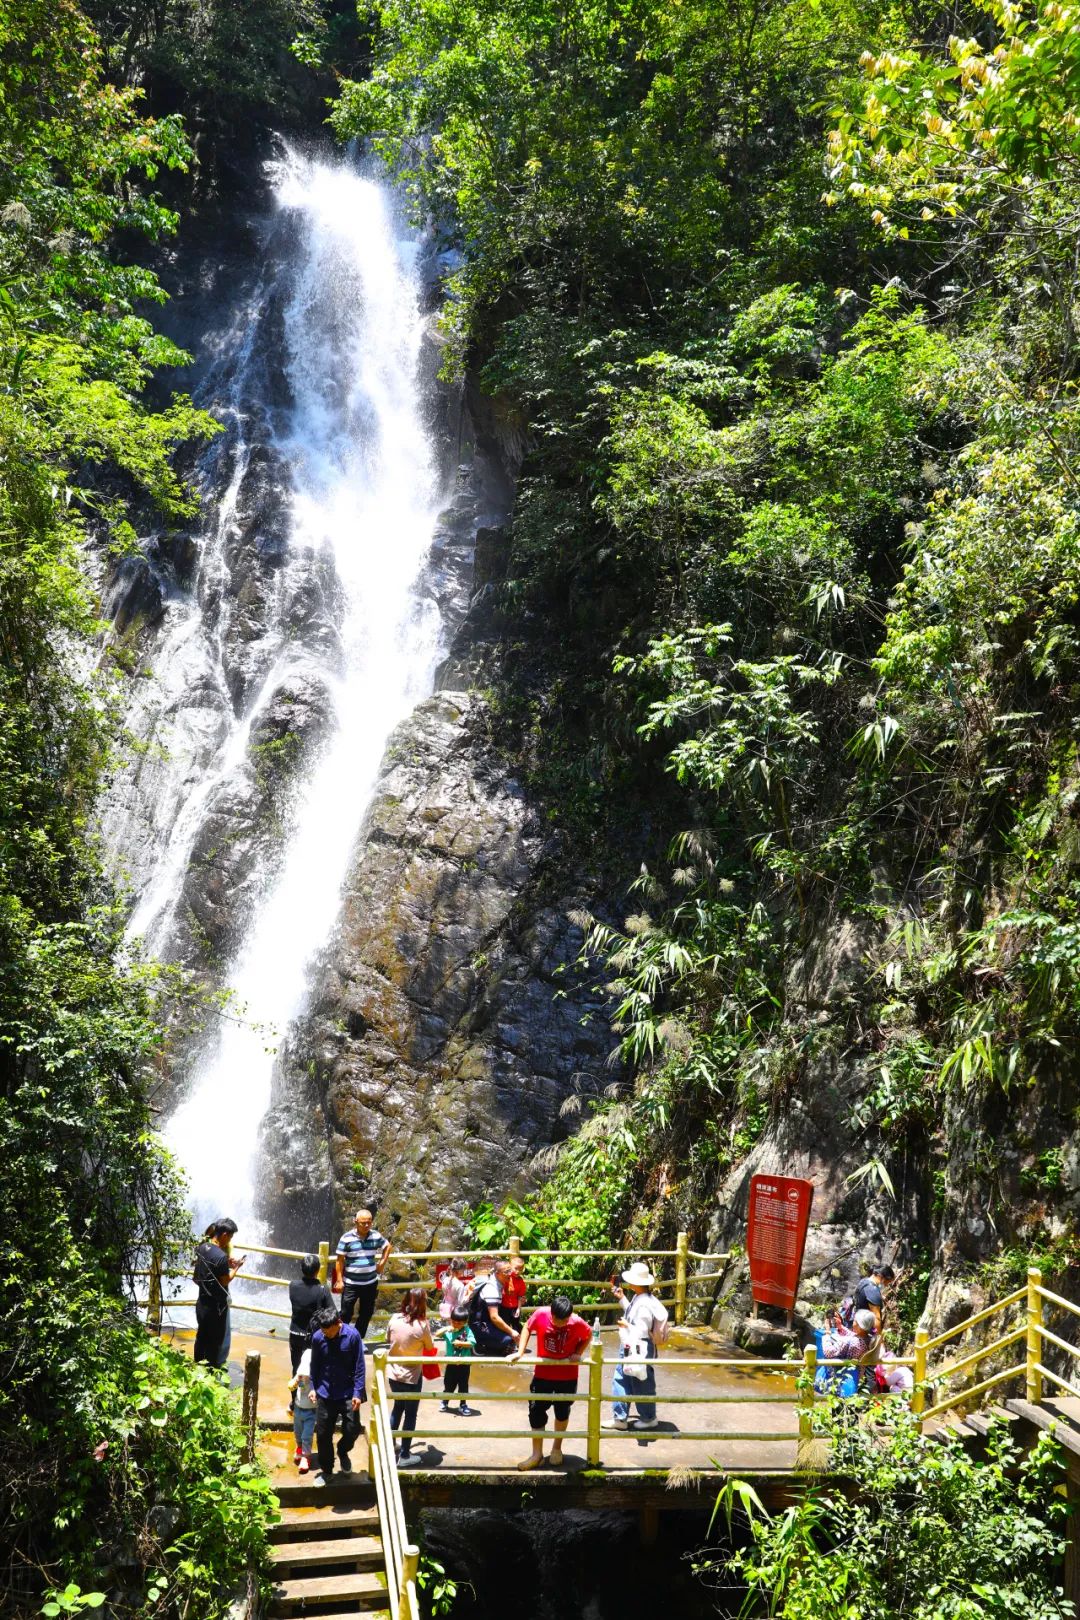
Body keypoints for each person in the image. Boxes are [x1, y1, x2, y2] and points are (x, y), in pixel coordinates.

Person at [509, 1291, 591, 1470]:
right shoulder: (541, 1314)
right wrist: (520, 1351)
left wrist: (578, 1352)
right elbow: (527, 1328)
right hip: (543, 1375)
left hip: (567, 1376)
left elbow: (588, 1335)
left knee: (562, 1412)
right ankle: (537, 1454)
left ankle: (556, 1448)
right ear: (552, 1313)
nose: (561, 1324)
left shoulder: (576, 1322)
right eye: (558, 1320)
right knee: (536, 1412)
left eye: (565, 1321)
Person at [603, 1261, 669, 1432]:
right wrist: (622, 1299)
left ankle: (647, 1418)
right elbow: (633, 1315)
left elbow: (641, 1330)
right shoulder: (643, 1299)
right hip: (633, 1345)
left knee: (640, 1381)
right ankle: (621, 1417)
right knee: (624, 1377)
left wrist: (626, 1325)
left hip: (638, 1346)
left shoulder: (644, 1304)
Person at [309, 1305, 366, 1483]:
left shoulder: (353, 1336)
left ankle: (342, 1451)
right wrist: (312, 1387)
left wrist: (358, 1392)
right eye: (323, 1331)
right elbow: (314, 1365)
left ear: (338, 1323)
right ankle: (327, 1470)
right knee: (323, 1433)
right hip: (325, 1392)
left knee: (353, 1428)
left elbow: (360, 1367)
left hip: (348, 1392)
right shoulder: (318, 1337)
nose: (325, 1334)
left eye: (329, 1331)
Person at [387, 1286, 435, 1469]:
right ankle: (405, 1454)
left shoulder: (393, 1319)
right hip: (412, 1377)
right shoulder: (422, 1325)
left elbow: (388, 1339)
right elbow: (430, 1347)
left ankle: (391, 1445)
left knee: (397, 1408)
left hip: (393, 1373)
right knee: (410, 1414)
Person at [193, 1218, 244, 1368]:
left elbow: (201, 1272)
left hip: (202, 1302)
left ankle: (197, 1367)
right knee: (215, 1341)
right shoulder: (220, 1256)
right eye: (231, 1237)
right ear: (224, 1235)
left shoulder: (203, 1247)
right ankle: (212, 1371)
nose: (230, 1240)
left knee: (201, 1336)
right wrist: (236, 1268)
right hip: (216, 1308)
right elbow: (225, 1280)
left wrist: (226, 1264)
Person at [333, 1208, 391, 1337]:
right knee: (345, 1313)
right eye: (363, 1223)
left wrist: (381, 1263)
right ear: (356, 1222)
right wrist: (339, 1280)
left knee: (366, 1312)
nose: (366, 1225)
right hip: (350, 1283)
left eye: (369, 1222)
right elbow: (339, 1261)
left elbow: (387, 1246)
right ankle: (342, 1337)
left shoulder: (375, 1235)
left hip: (370, 1282)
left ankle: (358, 1339)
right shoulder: (346, 1238)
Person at [288, 1254, 333, 1403]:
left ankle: (296, 1398)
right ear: (318, 1269)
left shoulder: (292, 1285)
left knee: (297, 1367)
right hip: (313, 1336)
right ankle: (311, 1398)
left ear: (301, 1268)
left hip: (295, 1333)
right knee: (314, 1367)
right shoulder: (322, 1290)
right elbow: (333, 1312)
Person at [470, 1259, 517, 1356]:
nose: (509, 1274)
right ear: (497, 1273)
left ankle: (488, 1343)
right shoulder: (492, 1288)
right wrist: (511, 1332)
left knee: (510, 1335)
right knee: (508, 1340)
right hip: (479, 1325)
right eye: (506, 1272)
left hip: (485, 1321)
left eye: (510, 1270)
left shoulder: (496, 1282)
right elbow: (494, 1317)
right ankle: (477, 1342)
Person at [439, 1304, 479, 1416]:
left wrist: (461, 1343)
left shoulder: (467, 1330)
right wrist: (447, 1328)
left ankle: (463, 1404)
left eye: (459, 1323)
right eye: (454, 1321)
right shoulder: (449, 1331)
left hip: (464, 1364)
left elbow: (472, 1343)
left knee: (463, 1385)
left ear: (465, 1322)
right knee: (448, 1384)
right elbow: (437, 1334)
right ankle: (444, 1401)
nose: (456, 1324)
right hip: (451, 1363)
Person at [289, 1345, 317, 1473]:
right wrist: (294, 1383)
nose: (304, 1376)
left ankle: (306, 1456)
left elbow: (315, 1389)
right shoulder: (300, 1376)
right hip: (298, 1408)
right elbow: (294, 1385)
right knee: (298, 1432)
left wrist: (314, 1392)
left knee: (307, 1435)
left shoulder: (315, 1380)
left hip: (310, 1411)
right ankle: (299, 1448)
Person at [851, 1263, 895, 1333]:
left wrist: (880, 1297)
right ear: (881, 1277)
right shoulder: (872, 1290)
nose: (887, 1285)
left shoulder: (864, 1281)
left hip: (857, 1321)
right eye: (888, 1282)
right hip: (864, 1328)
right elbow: (876, 1318)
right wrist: (879, 1337)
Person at [503, 1255, 527, 1334]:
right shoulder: (506, 1277)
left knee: (516, 1325)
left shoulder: (520, 1281)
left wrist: (518, 1309)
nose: (517, 1272)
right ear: (510, 1266)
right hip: (503, 1306)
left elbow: (520, 1296)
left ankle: (517, 1342)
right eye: (515, 1268)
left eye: (520, 1269)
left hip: (514, 1307)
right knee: (504, 1325)